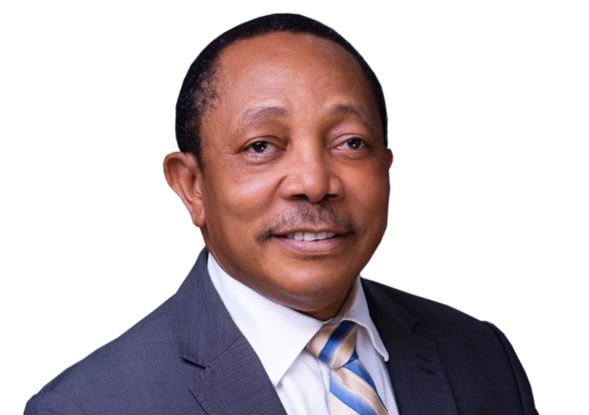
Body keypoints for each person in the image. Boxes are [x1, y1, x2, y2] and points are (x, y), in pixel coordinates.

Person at [25, 13, 538, 415]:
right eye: (261, 146)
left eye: (350, 142)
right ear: (192, 186)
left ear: (385, 168)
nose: (314, 183)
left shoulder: (481, 357)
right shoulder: (85, 406)